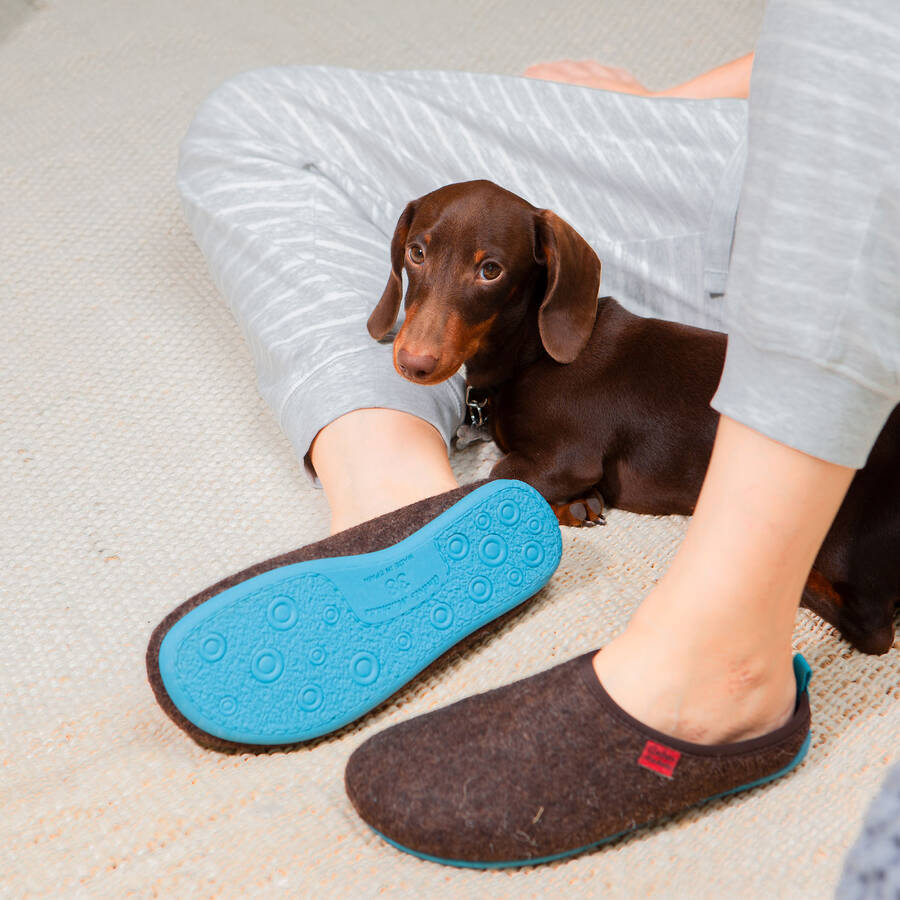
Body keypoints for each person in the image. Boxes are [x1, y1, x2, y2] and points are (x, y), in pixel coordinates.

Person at [167, 0, 899, 868]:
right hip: (765, 142)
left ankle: (725, 661)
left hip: (862, 201)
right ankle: (402, 491)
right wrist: (662, 111)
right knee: (257, 124)